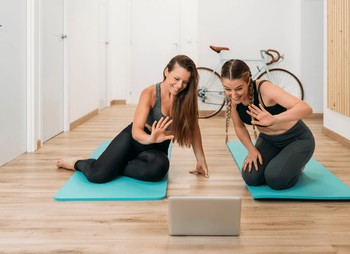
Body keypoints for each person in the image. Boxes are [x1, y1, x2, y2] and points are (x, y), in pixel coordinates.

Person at [57, 55, 209, 182]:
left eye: (185, 82)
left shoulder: (186, 98)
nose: (179, 85)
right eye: (176, 78)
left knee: (158, 170)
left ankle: (113, 165)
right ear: (166, 72)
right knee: (97, 176)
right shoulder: (149, 93)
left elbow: (194, 128)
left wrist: (200, 160)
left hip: (157, 149)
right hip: (133, 141)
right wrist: (151, 139)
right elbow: (136, 131)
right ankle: (79, 162)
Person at [221, 59, 315, 190]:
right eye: (227, 89)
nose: (234, 95)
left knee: (275, 179)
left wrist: (274, 119)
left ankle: (297, 165)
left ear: (248, 81)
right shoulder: (232, 99)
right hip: (269, 140)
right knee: (251, 177)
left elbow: (306, 108)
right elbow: (239, 126)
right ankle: (281, 160)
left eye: (239, 88)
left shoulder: (265, 89)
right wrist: (251, 150)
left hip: (297, 139)